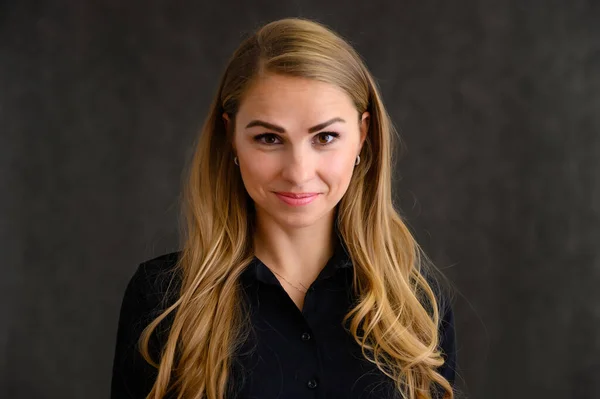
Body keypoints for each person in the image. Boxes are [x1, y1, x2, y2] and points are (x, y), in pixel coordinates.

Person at [111, 17, 456, 399]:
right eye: (269, 138)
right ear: (231, 138)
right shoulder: (163, 299)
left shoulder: (414, 304)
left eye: (325, 137)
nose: (298, 172)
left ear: (362, 135)